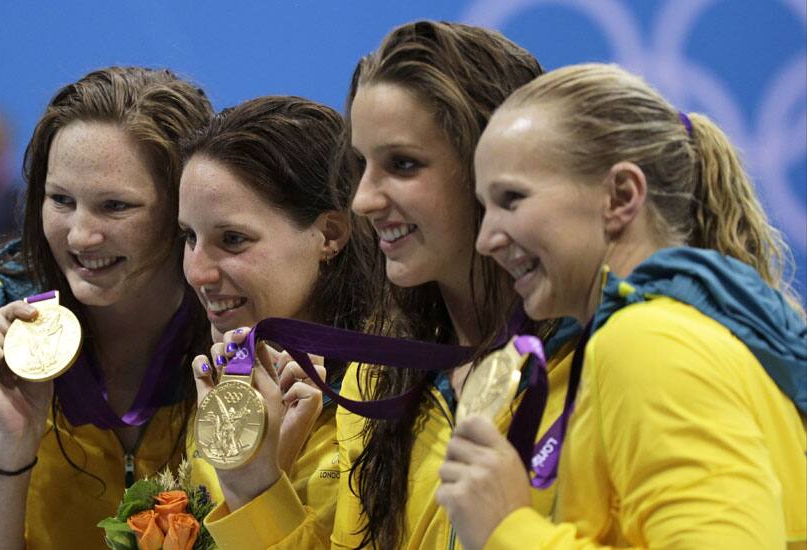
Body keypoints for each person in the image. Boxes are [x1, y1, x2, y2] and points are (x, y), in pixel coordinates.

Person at [199, 21, 577, 549]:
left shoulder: (604, 358)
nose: (364, 199)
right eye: (360, 166)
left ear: (497, 166)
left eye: (402, 164)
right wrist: (252, 486)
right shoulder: (377, 376)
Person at [447, 62, 807, 548]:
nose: (487, 239)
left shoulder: (647, 341)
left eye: (511, 199)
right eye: (484, 206)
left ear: (621, 196)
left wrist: (507, 530)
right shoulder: (700, 326)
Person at [0, 66, 214, 550]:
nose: (81, 236)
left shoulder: (238, 343)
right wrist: (10, 449)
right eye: (61, 200)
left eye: (115, 207)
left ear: (183, 211)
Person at [178, 95, 376, 543]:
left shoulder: (388, 406)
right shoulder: (225, 386)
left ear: (329, 235)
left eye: (232, 239)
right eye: (189, 236)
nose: (196, 272)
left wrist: (260, 489)